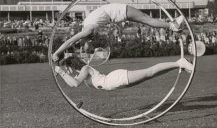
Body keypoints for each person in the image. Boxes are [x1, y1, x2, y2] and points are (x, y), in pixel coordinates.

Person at [52, 3, 184, 61]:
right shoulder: (86, 32)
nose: (92, 48)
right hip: (117, 12)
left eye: (89, 49)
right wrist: (62, 54)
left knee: (147, 19)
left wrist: (57, 52)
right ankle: (172, 25)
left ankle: (173, 26)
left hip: (119, 10)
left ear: (83, 44)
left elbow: (69, 42)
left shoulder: (86, 32)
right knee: (147, 19)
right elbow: (72, 45)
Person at [55, 56, 193, 91]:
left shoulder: (84, 69)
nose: (68, 71)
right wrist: (61, 73)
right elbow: (72, 82)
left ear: (72, 65)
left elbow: (75, 84)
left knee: (149, 71)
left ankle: (179, 62)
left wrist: (61, 72)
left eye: (68, 68)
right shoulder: (81, 72)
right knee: (150, 74)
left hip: (117, 79)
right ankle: (177, 65)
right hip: (116, 82)